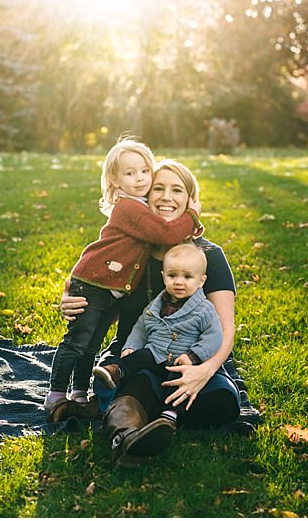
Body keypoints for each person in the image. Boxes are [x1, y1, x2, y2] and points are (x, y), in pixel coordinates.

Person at [61, 159, 241, 465]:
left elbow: (224, 329)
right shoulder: (128, 252)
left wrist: (203, 371)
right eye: (159, 188)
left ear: (189, 199)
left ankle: (161, 416)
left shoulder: (208, 255)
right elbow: (94, 285)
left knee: (224, 399)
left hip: (192, 356)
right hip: (137, 355)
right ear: (146, 196)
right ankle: (128, 437)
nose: (167, 197)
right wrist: (71, 298)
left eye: (177, 190)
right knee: (124, 387)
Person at [44, 139, 202, 422]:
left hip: (107, 289)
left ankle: (79, 391)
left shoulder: (146, 213)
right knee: (78, 342)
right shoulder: (130, 208)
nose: (140, 178)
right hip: (93, 285)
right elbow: (165, 233)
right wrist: (192, 214)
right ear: (115, 181)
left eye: (145, 171)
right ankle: (56, 393)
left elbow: (166, 235)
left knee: (91, 344)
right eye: (130, 173)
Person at [91, 242, 222, 465]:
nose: (179, 281)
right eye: (172, 275)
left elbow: (214, 336)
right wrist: (130, 347)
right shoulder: (156, 304)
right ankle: (116, 372)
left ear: (202, 281)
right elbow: (141, 327)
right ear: (164, 277)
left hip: (181, 359)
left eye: (187, 277)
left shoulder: (204, 309)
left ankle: (168, 417)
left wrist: (193, 356)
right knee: (138, 358)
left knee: (178, 384)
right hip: (155, 352)